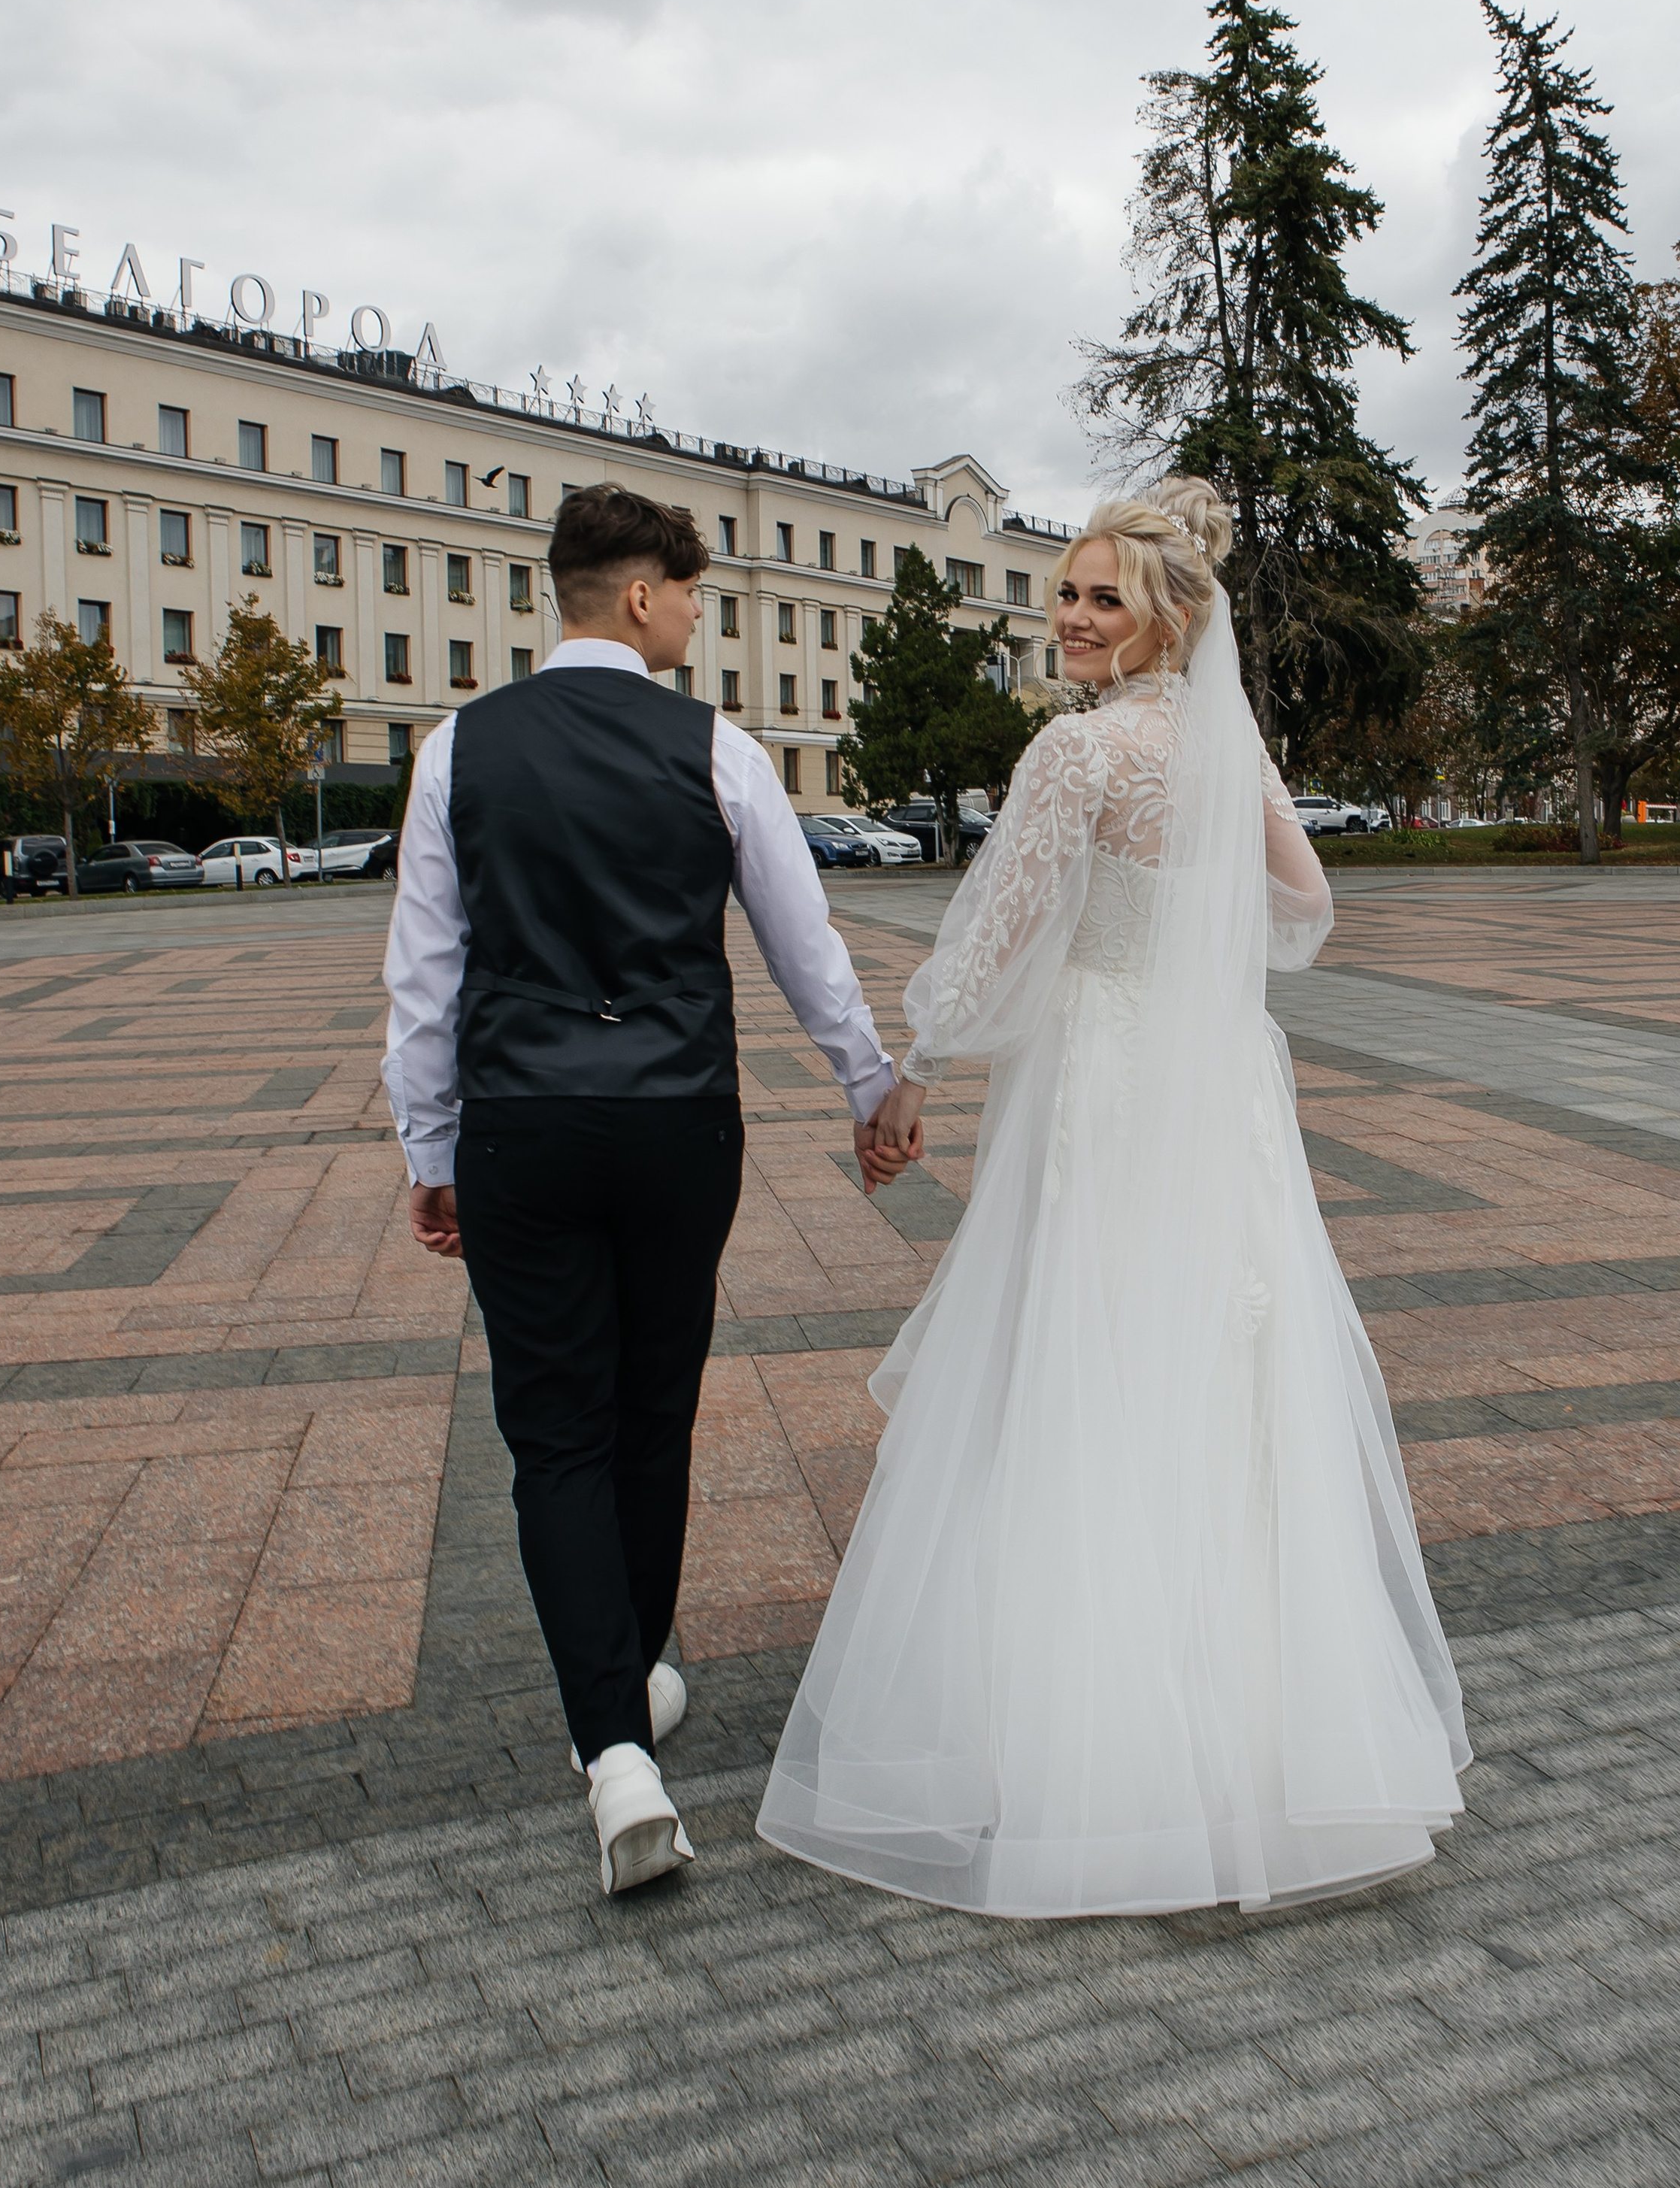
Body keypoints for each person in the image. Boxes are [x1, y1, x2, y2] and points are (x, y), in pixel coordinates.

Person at [758, 480, 1470, 1918]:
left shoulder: (1073, 758)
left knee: (1081, 1367)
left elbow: (987, 936)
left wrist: (917, 1061)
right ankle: (1255, 1743)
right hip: (1211, 1083)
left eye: (1099, 598)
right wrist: (1193, 959)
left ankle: (1090, 1749)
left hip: (1107, 1076)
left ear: (1163, 619)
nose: (1071, 619)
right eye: (1064, 595)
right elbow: (1303, 906)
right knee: (1207, 1366)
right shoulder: (1227, 753)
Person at [383, 483, 901, 1896]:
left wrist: (430, 1149)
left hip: (521, 1127)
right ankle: (626, 1710)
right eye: (690, 596)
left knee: (553, 1430)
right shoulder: (717, 748)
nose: (695, 616)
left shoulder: (455, 750)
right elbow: (805, 938)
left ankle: (614, 1738)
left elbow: (425, 971)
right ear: (637, 599)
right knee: (652, 1411)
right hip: (675, 1119)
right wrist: (869, 1083)